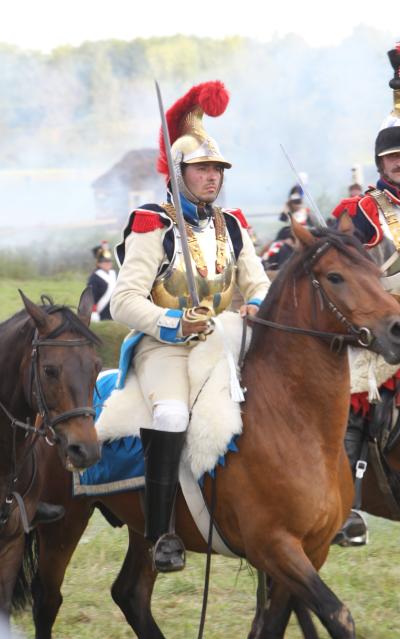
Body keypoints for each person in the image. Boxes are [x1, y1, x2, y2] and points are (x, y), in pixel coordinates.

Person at [110, 81, 270, 572]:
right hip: (166, 348)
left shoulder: (234, 225)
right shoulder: (150, 225)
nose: (212, 178)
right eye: (202, 169)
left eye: (217, 170)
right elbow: (122, 301)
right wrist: (171, 322)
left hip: (224, 340)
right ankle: (161, 534)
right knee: (173, 416)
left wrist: (256, 306)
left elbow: (258, 282)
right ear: (179, 173)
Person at [332, 38, 400, 546]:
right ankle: (345, 504)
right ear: (380, 163)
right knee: (356, 393)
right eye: (393, 156)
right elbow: (341, 273)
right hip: (372, 324)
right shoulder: (360, 212)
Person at [87, 242, 117, 321]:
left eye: (109, 261)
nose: (108, 263)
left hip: (116, 311)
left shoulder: (114, 274)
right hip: (102, 313)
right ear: (98, 263)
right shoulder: (94, 277)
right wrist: (93, 312)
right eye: (104, 261)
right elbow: (91, 297)